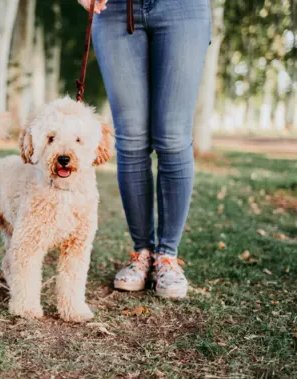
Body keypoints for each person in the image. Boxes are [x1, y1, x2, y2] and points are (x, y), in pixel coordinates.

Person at [78, 0, 212, 298]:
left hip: (182, 9)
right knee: (131, 138)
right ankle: (142, 253)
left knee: (173, 137)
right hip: (115, 10)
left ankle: (167, 256)